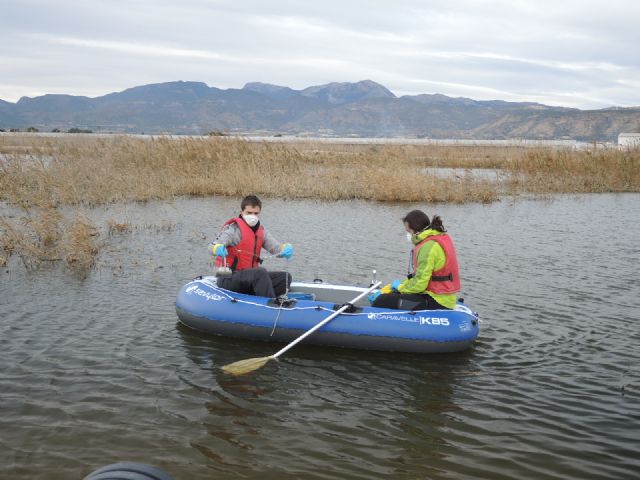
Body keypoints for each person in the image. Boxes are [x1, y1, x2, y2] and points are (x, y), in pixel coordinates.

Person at [369, 210, 460, 310]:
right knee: (394, 293)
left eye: (409, 231)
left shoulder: (428, 247)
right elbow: (421, 278)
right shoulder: (437, 237)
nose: (408, 235)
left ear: (416, 230)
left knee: (381, 301)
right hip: (442, 296)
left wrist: (399, 287)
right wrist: (398, 286)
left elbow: (420, 284)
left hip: (438, 300)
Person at [209, 195, 294, 299]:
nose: (252, 216)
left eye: (255, 213)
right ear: (242, 212)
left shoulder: (262, 231)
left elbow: (275, 249)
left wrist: (285, 249)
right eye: (249, 213)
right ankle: (270, 306)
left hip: (250, 278)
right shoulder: (233, 230)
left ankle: (262, 299)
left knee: (285, 277)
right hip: (228, 278)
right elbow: (211, 246)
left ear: (259, 214)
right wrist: (216, 248)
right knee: (260, 272)